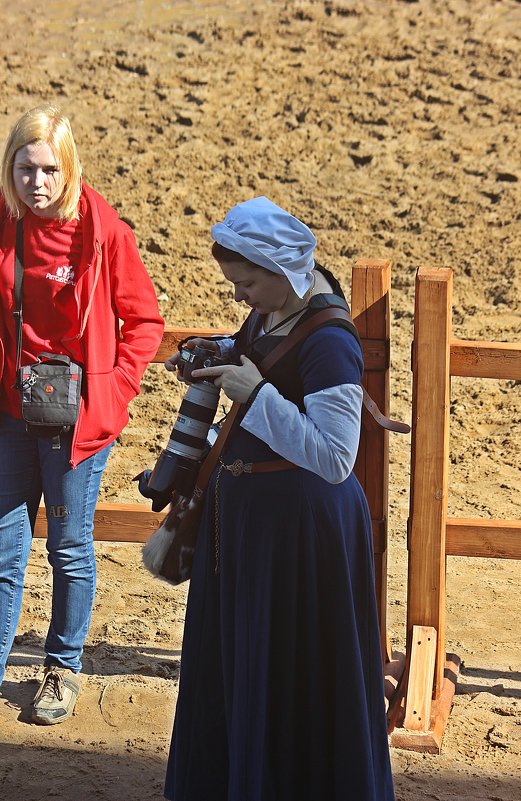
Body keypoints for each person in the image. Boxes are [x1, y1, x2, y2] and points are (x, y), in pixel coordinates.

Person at [163, 196, 395, 801]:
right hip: (250, 532)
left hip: (301, 544)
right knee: (243, 676)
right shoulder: (270, 313)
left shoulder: (330, 341)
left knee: (293, 680)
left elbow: (336, 458)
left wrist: (256, 393)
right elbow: (254, 362)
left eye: (246, 283)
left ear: (281, 273)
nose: (239, 297)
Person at [0, 105, 164, 724]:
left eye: (47, 170)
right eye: (23, 169)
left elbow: (144, 322)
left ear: (68, 169)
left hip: (76, 423)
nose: (35, 183)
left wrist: (112, 393)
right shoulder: (3, 223)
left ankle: (62, 670)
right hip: (11, 415)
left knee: (69, 550)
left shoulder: (102, 232)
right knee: (3, 551)